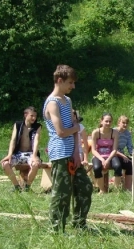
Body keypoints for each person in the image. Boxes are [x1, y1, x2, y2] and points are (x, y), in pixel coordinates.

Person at [43, 64, 93, 232]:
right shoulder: (52, 103)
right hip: (59, 153)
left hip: (72, 153)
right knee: (61, 193)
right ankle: (55, 229)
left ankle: (79, 224)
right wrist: (76, 127)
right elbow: (61, 131)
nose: (73, 86)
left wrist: (77, 153)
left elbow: (74, 128)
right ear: (60, 80)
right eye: (70, 82)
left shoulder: (68, 100)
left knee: (85, 187)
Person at [0, 106, 42, 192]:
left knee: (35, 164)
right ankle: (16, 187)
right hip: (18, 153)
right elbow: (13, 139)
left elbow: (36, 141)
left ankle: (27, 187)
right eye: (32, 115)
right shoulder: (18, 125)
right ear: (25, 115)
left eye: (35, 116)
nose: (34, 118)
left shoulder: (37, 126)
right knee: (5, 164)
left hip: (31, 154)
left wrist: (34, 156)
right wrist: (9, 155)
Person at [91, 113, 122, 194]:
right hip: (98, 155)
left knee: (118, 166)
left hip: (111, 155)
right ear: (101, 121)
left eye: (110, 121)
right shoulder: (95, 132)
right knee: (97, 167)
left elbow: (114, 149)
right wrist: (102, 159)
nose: (108, 123)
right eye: (106, 121)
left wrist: (107, 160)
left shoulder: (114, 132)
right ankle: (102, 189)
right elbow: (93, 150)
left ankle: (116, 189)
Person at [114, 115, 134, 193]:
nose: (125, 125)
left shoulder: (127, 133)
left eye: (127, 123)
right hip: (114, 155)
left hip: (122, 155)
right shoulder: (113, 131)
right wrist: (123, 156)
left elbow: (130, 147)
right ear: (118, 123)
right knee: (130, 164)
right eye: (123, 123)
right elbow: (112, 148)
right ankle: (127, 189)